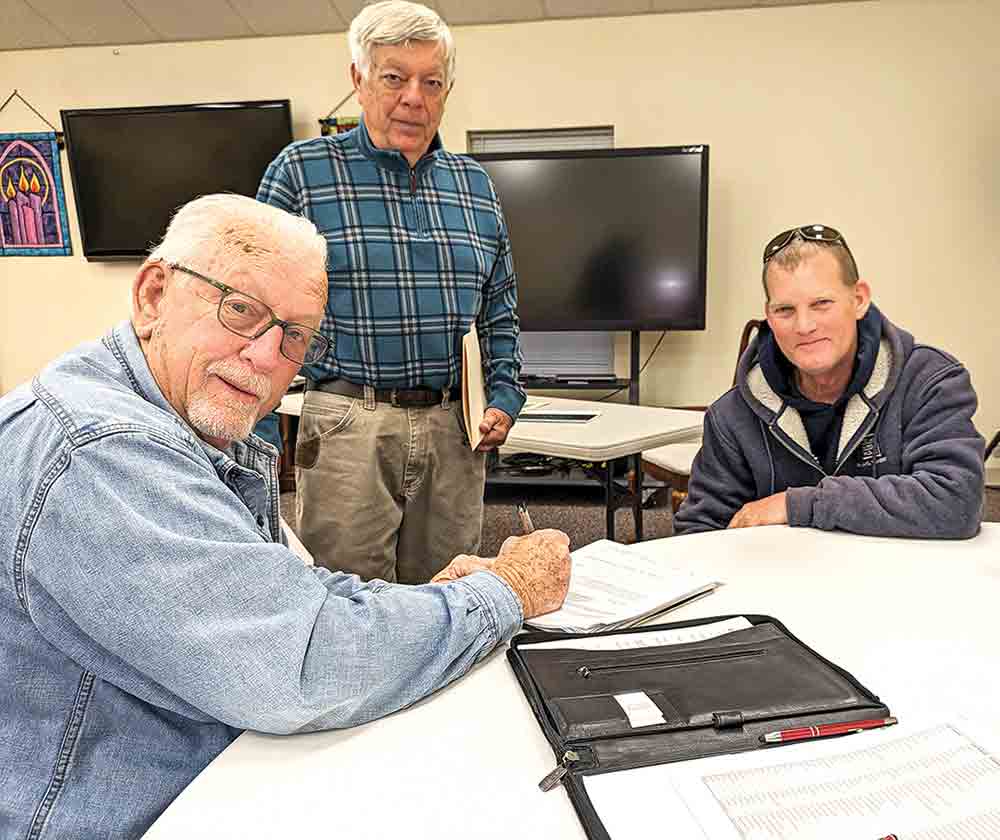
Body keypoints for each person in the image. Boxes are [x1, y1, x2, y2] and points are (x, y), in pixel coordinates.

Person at [0, 194, 570, 839]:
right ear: (153, 295)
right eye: (240, 310)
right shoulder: (106, 451)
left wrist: (450, 601)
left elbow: (287, 598)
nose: (268, 356)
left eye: (295, 336)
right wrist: (505, 594)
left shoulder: (176, 416)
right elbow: (300, 664)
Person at [256, 0, 525, 583]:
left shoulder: (474, 186)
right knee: (345, 603)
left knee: (448, 597)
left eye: (432, 82)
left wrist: (504, 394)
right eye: (394, 78)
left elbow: (500, 307)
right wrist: (254, 424)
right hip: (347, 422)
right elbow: (258, 309)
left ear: (447, 90)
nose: (414, 97)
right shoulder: (300, 173)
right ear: (358, 79)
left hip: (457, 431)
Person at [674, 223, 984, 538]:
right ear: (768, 315)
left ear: (859, 299)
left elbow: (956, 502)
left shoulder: (930, 381)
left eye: (821, 303)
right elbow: (699, 532)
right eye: (785, 310)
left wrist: (798, 504)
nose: (804, 325)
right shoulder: (731, 415)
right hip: (783, 582)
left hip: (899, 581)